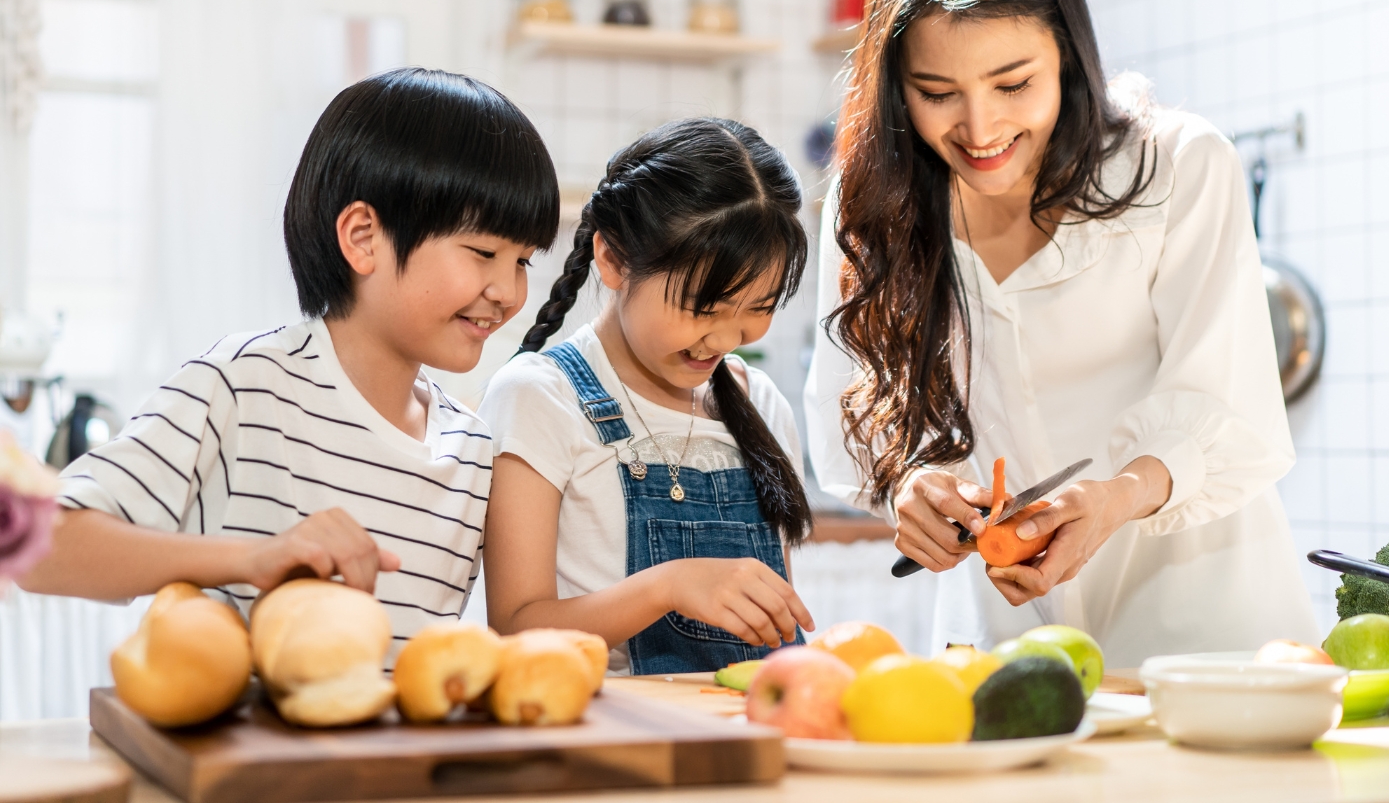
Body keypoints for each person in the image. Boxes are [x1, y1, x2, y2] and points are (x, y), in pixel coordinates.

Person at [805, 0, 1318, 664]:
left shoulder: (1176, 167)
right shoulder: (872, 200)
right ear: (896, 87)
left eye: (1013, 84)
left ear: (1068, 56)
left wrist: (1114, 497)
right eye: (938, 93)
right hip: (1010, 635)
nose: (979, 129)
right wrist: (910, 485)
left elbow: (1229, 405)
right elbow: (857, 400)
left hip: (1205, 629)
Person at [22, 69, 559, 658]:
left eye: (524, 262)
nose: (508, 291)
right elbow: (38, 546)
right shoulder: (242, 386)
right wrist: (250, 559)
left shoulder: (473, 448)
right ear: (362, 237)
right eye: (484, 252)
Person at [481, 118, 815, 676]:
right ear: (611, 260)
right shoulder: (541, 398)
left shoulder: (761, 403)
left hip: (748, 736)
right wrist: (667, 586)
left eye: (758, 307)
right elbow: (514, 629)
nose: (726, 340)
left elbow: (773, 625)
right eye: (703, 308)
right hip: (612, 742)